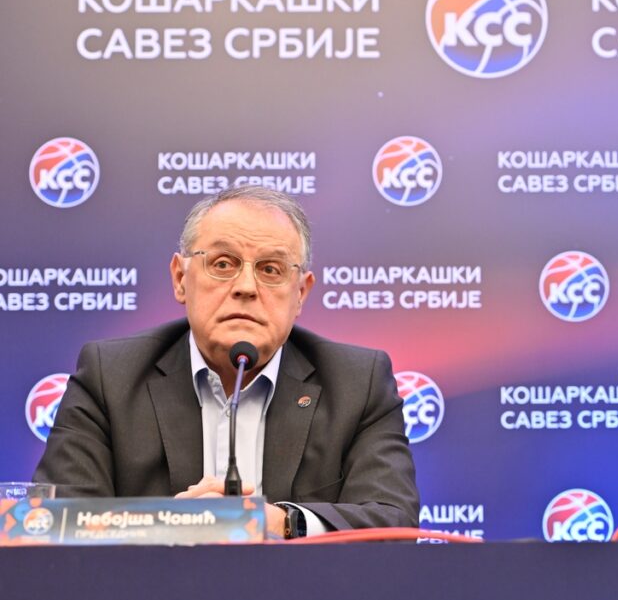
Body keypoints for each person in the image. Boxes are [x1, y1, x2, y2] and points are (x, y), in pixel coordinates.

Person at [35, 186, 419, 538]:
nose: (246, 287)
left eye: (271, 269)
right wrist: (168, 527)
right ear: (180, 279)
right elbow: (56, 524)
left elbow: (393, 520)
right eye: (222, 263)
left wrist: (284, 522)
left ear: (300, 293)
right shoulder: (109, 377)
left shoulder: (358, 383)